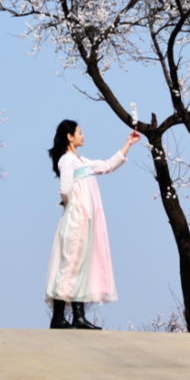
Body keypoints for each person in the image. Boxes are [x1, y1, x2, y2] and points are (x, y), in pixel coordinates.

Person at [45, 120, 140, 329]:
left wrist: (128, 144)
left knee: (80, 265)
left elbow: (107, 166)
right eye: (79, 132)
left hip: (84, 221)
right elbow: (65, 188)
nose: (83, 135)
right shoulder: (66, 160)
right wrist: (70, 205)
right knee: (70, 265)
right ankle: (58, 317)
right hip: (76, 219)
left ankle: (78, 317)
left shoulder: (82, 161)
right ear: (69, 136)